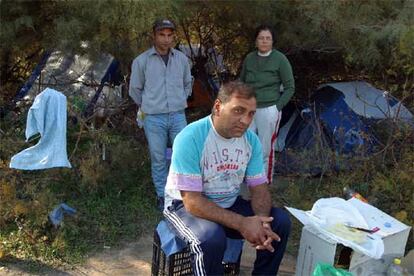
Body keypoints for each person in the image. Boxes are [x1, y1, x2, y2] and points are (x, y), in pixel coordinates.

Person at [164, 81, 291, 275]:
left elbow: (259, 189)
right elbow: (192, 201)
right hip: (182, 206)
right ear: (217, 107)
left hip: (228, 202)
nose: (245, 120)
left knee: (280, 221)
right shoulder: (190, 137)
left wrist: (261, 223)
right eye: (238, 111)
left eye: (250, 114)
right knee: (211, 238)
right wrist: (242, 223)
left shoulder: (251, 141)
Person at [129, 19, 192, 210]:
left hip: (177, 115)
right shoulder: (142, 61)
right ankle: (162, 195)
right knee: (158, 158)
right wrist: (149, 105)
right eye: (161, 35)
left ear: (173, 36)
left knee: (183, 155)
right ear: (154, 36)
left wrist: (180, 98)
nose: (166, 39)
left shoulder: (181, 59)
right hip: (153, 117)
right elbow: (135, 89)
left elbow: (188, 83)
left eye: (169, 35)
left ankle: (185, 195)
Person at [240, 24, 295, 184]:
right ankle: (247, 179)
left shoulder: (280, 59)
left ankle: (264, 183)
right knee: (246, 144)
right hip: (249, 109)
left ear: (272, 41)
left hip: (269, 109)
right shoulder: (249, 58)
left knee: (265, 148)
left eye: (268, 38)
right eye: (261, 38)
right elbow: (242, 82)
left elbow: (290, 87)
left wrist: (277, 107)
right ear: (256, 41)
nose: (264, 41)